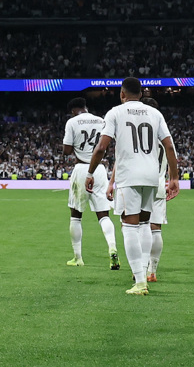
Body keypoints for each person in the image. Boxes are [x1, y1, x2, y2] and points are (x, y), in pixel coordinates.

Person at [85, 78, 179, 296]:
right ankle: (144, 273)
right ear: (141, 94)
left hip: (129, 176)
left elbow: (101, 147)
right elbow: (169, 147)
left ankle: (139, 281)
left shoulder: (115, 113)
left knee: (129, 226)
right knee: (145, 224)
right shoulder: (155, 114)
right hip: (152, 176)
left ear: (122, 94)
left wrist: (90, 173)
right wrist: (174, 177)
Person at [62, 97, 120, 269]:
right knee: (104, 215)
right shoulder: (101, 121)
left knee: (76, 215)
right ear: (85, 107)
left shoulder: (72, 122)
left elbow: (66, 150)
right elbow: (105, 147)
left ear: (73, 110)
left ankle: (78, 258)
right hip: (99, 169)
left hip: (81, 168)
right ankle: (112, 247)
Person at [140, 96, 173, 283]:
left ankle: (141, 267)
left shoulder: (138, 132)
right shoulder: (164, 134)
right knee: (156, 228)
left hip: (139, 183)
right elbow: (171, 154)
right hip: (159, 182)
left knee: (138, 227)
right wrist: (173, 179)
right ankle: (152, 270)